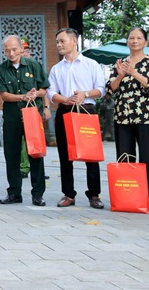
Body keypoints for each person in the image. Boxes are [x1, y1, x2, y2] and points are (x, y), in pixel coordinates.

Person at [47, 27, 106, 209]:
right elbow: (50, 92)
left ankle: (94, 194)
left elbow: (101, 89)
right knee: (65, 154)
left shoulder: (91, 64)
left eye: (62, 41)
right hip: (64, 111)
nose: (59, 45)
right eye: (57, 42)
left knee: (91, 154)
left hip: (86, 111)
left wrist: (84, 94)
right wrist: (64, 98)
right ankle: (68, 194)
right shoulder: (56, 69)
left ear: (74, 41)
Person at [0, 35, 49, 206]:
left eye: (14, 49)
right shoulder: (1, 70)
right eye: (7, 50)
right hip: (12, 117)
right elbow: (3, 95)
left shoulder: (33, 65)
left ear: (21, 49)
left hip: (32, 116)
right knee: (12, 155)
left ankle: (37, 194)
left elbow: (44, 89)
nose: (11, 53)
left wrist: (36, 94)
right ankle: (14, 193)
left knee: (35, 154)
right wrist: (23, 96)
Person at [108, 26, 149, 184]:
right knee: (125, 156)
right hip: (123, 116)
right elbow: (110, 89)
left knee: (146, 156)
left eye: (139, 38)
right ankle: (129, 195)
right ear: (127, 42)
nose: (135, 41)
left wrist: (134, 73)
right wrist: (120, 76)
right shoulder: (120, 63)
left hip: (145, 117)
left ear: (145, 42)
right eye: (132, 38)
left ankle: (146, 196)